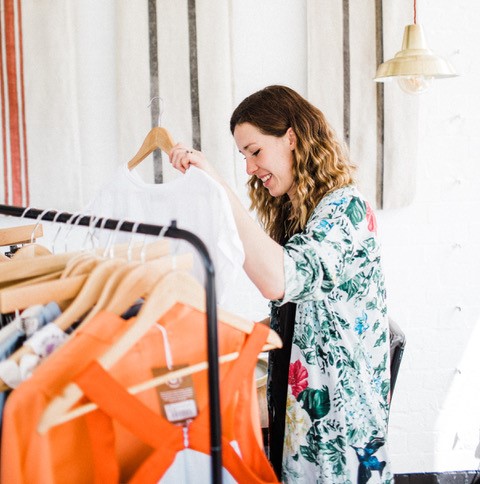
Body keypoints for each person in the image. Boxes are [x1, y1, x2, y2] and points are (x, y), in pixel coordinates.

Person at [169, 85, 392, 484]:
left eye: (255, 151)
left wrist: (217, 186)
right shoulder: (300, 211)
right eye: (244, 157)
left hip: (340, 424)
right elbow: (297, 309)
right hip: (307, 405)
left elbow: (279, 279)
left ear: (291, 137)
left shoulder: (346, 210)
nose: (250, 168)